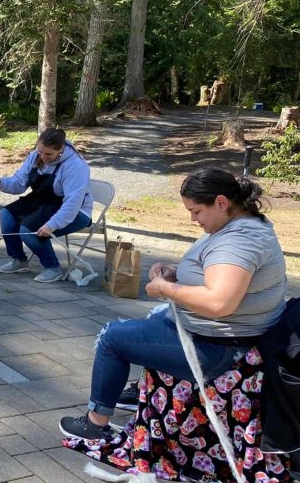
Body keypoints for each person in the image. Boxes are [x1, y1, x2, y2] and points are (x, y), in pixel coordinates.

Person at [59, 168, 287, 441]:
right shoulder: (239, 224)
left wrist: (166, 288)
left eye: (196, 211)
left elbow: (219, 303)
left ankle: (95, 426)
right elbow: (217, 272)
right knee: (150, 324)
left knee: (112, 338)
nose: (193, 219)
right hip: (220, 337)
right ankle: (141, 390)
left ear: (222, 203)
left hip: (217, 350)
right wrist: (176, 271)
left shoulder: (238, 241)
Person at [0, 127, 92, 282]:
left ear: (60, 150)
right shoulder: (35, 156)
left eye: (48, 154)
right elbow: (19, 183)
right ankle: (19, 260)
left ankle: (53, 268)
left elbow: (73, 203)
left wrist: (52, 225)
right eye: (40, 151)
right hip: (41, 202)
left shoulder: (75, 165)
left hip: (74, 212)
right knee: (6, 215)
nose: (43, 156)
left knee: (28, 230)